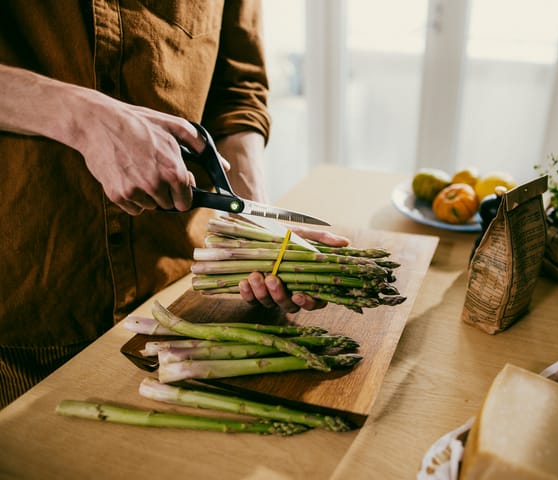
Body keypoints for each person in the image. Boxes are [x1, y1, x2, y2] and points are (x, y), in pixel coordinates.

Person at [0, 1, 347, 408]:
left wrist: (258, 223)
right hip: (26, 311)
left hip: (182, 296)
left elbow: (237, 90)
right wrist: (84, 116)